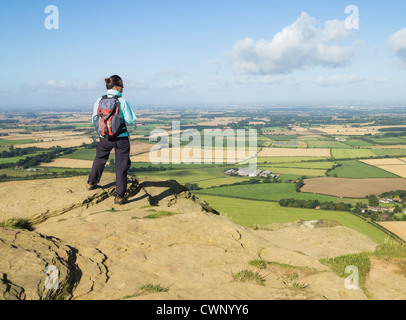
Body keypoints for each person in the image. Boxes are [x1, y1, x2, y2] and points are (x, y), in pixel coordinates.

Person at [87, 75, 136, 205]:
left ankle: (91, 183)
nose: (123, 89)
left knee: (100, 158)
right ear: (116, 87)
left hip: (104, 137)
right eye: (122, 86)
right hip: (121, 138)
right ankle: (119, 196)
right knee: (121, 165)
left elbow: (94, 118)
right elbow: (130, 119)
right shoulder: (122, 101)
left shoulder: (99, 100)